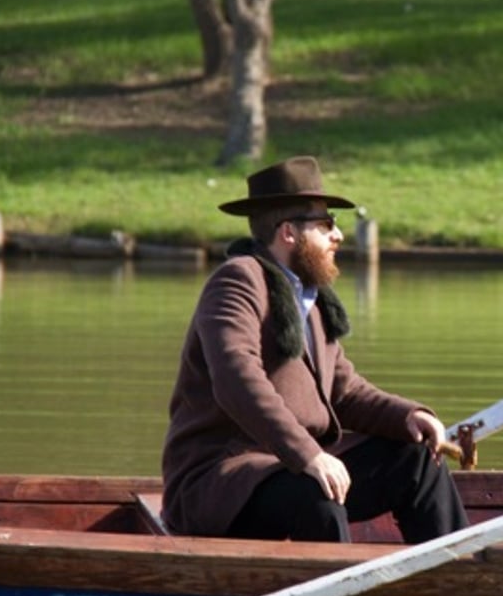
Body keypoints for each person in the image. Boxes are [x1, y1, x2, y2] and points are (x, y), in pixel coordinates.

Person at [161, 155, 469, 543]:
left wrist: (408, 416)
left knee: (416, 459)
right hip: (222, 482)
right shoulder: (238, 282)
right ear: (289, 232)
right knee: (316, 493)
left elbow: (345, 391)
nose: (337, 235)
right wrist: (308, 455)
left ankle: (456, 578)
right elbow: (237, 381)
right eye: (326, 225)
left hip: (287, 466)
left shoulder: (310, 298)